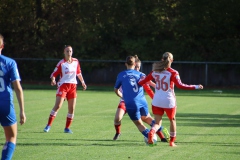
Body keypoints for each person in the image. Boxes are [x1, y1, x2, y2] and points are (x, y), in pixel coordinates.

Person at [139, 52, 203, 147]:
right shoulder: (173, 72)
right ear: (172, 60)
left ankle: (151, 133)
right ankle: (172, 142)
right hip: (168, 101)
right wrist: (196, 86)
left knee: (157, 123)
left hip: (156, 101)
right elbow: (181, 86)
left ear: (162, 59)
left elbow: (142, 82)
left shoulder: (155, 71)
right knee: (172, 120)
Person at [113, 55, 169, 142]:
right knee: (145, 118)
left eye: (139, 67)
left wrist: (122, 96)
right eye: (137, 66)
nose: (138, 68)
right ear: (134, 64)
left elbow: (116, 90)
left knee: (140, 123)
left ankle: (152, 137)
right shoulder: (139, 75)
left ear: (126, 64)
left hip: (130, 102)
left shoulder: (123, 75)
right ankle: (161, 130)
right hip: (137, 101)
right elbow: (149, 84)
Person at [43, 45, 87, 133]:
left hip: (73, 86)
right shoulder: (61, 63)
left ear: (72, 52)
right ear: (64, 52)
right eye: (67, 51)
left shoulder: (76, 61)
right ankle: (48, 125)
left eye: (70, 51)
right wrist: (53, 80)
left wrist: (83, 82)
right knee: (58, 106)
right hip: (63, 86)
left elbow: (78, 73)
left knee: (72, 108)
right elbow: (53, 74)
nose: (69, 53)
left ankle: (67, 128)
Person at [0, 34, 26, 160]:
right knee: (11, 137)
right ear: (2, 46)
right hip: (5, 103)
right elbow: (17, 88)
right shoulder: (10, 63)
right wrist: (22, 111)